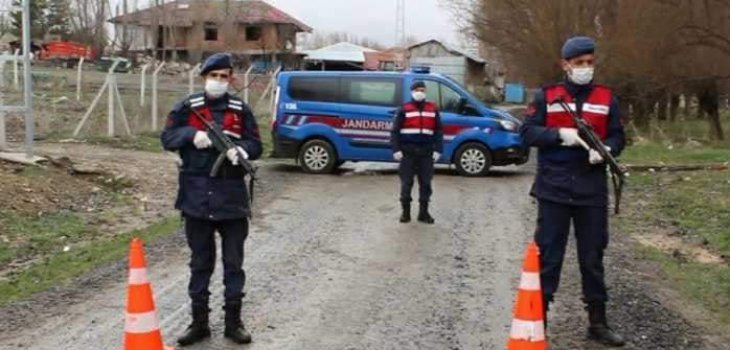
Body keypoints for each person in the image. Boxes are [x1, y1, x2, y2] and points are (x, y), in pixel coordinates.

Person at [520, 36, 626, 347]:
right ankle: (539, 322)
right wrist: (558, 135)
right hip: (554, 189)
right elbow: (526, 133)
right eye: (579, 63)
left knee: (592, 257)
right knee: (549, 258)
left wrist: (607, 150)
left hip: (591, 190)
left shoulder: (608, 98)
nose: (585, 68)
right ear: (565, 64)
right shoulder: (546, 96)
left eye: (590, 63)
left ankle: (598, 322)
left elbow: (620, 137)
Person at [161, 53, 262, 346]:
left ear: (231, 79)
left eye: (224, 76)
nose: (218, 81)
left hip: (231, 199)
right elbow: (167, 137)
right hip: (196, 197)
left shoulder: (240, 109)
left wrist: (241, 150)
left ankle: (234, 323)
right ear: (204, 76)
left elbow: (257, 144)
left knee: (234, 265)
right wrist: (192, 135)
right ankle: (199, 324)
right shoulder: (187, 107)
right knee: (200, 264)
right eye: (213, 75)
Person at [391, 81, 444, 224]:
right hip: (408, 153)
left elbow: (438, 131)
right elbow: (395, 131)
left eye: (422, 90)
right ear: (412, 92)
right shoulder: (404, 109)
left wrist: (438, 149)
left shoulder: (432, 108)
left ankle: (423, 213)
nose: (420, 92)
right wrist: (396, 149)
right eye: (417, 90)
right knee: (406, 183)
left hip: (426, 153)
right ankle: (405, 213)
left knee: (426, 184)